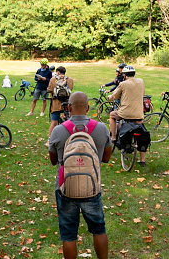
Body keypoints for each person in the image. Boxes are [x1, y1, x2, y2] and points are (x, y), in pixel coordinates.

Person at [49, 91, 112, 259]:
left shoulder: (58, 131)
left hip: (65, 188)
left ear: (68, 108)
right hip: (92, 187)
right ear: (88, 108)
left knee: (69, 234)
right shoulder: (101, 128)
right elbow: (105, 158)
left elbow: (53, 161)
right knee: (98, 229)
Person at [108, 66, 147, 165]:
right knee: (141, 131)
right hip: (139, 113)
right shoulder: (141, 81)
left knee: (112, 115)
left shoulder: (123, 84)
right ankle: (142, 159)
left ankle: (113, 137)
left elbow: (114, 96)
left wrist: (109, 97)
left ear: (124, 75)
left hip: (125, 113)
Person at [46, 66, 74, 146]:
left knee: (54, 122)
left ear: (57, 72)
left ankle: (50, 140)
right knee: (68, 121)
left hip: (56, 104)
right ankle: (69, 138)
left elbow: (49, 89)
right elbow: (71, 89)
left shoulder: (53, 79)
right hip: (66, 103)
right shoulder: (70, 80)